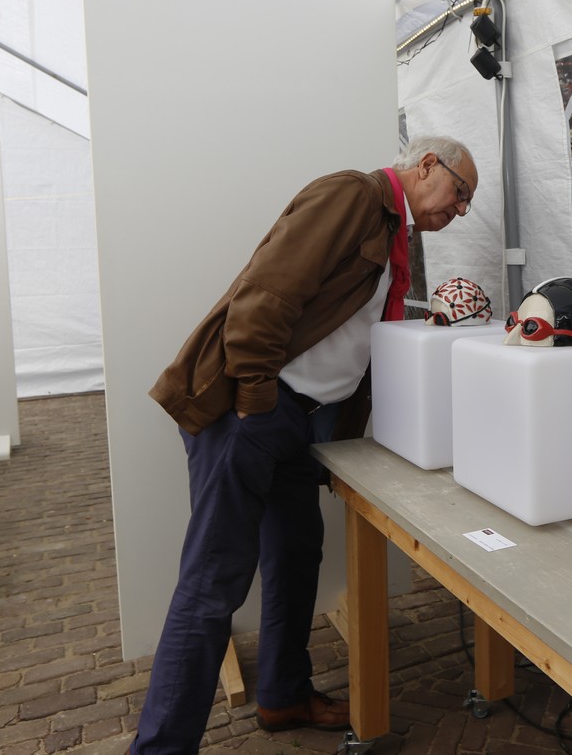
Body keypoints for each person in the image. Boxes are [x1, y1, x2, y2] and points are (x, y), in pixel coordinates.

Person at [132, 135, 479, 754]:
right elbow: (266, 294)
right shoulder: (354, 195)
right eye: (460, 193)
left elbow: (353, 327)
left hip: (297, 420)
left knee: (296, 554)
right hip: (255, 412)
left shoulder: (393, 231)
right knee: (213, 582)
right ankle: (159, 747)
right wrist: (256, 402)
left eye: (466, 204)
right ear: (428, 165)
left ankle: (283, 694)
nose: (459, 210)